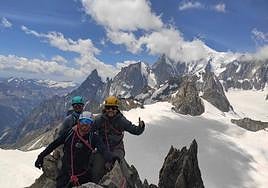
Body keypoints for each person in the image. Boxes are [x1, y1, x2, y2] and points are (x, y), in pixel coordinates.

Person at [35, 111, 111, 187]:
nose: (85, 124)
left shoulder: (93, 137)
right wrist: (41, 156)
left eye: (88, 122)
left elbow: (103, 148)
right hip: (66, 173)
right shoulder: (69, 133)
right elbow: (54, 144)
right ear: (78, 122)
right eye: (83, 121)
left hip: (83, 173)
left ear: (91, 125)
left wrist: (111, 158)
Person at [91, 96, 145, 182]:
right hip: (102, 148)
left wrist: (140, 127)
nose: (111, 110)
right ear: (105, 108)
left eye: (113, 108)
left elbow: (134, 130)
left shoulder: (121, 120)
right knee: (95, 171)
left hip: (117, 148)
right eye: (108, 107)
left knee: (120, 167)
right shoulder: (99, 119)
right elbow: (89, 129)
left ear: (117, 109)